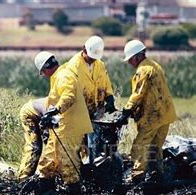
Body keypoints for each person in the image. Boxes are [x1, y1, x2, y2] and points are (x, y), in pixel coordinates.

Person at [31, 52, 93, 195]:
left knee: (68, 164)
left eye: (43, 72)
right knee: (47, 161)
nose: (44, 75)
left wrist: (54, 111)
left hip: (71, 127)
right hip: (61, 127)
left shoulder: (64, 75)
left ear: (46, 68)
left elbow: (68, 96)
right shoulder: (58, 76)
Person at [116, 40, 176, 184]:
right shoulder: (155, 65)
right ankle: (158, 177)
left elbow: (138, 94)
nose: (130, 62)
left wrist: (126, 111)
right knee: (156, 147)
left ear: (137, 56)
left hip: (153, 117)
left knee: (139, 147)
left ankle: (137, 178)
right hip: (165, 115)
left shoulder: (143, 70)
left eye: (130, 59)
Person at [66, 36, 115, 163]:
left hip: (96, 110)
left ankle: (95, 165)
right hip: (79, 111)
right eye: (91, 57)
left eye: (95, 58)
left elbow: (105, 83)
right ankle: (83, 169)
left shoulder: (99, 64)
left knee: (96, 142)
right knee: (82, 144)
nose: (93, 60)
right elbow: (69, 92)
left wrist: (109, 97)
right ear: (84, 50)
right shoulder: (73, 67)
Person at [18, 98, 47, 181]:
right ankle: (23, 179)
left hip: (42, 115)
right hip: (29, 114)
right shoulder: (59, 109)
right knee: (35, 147)